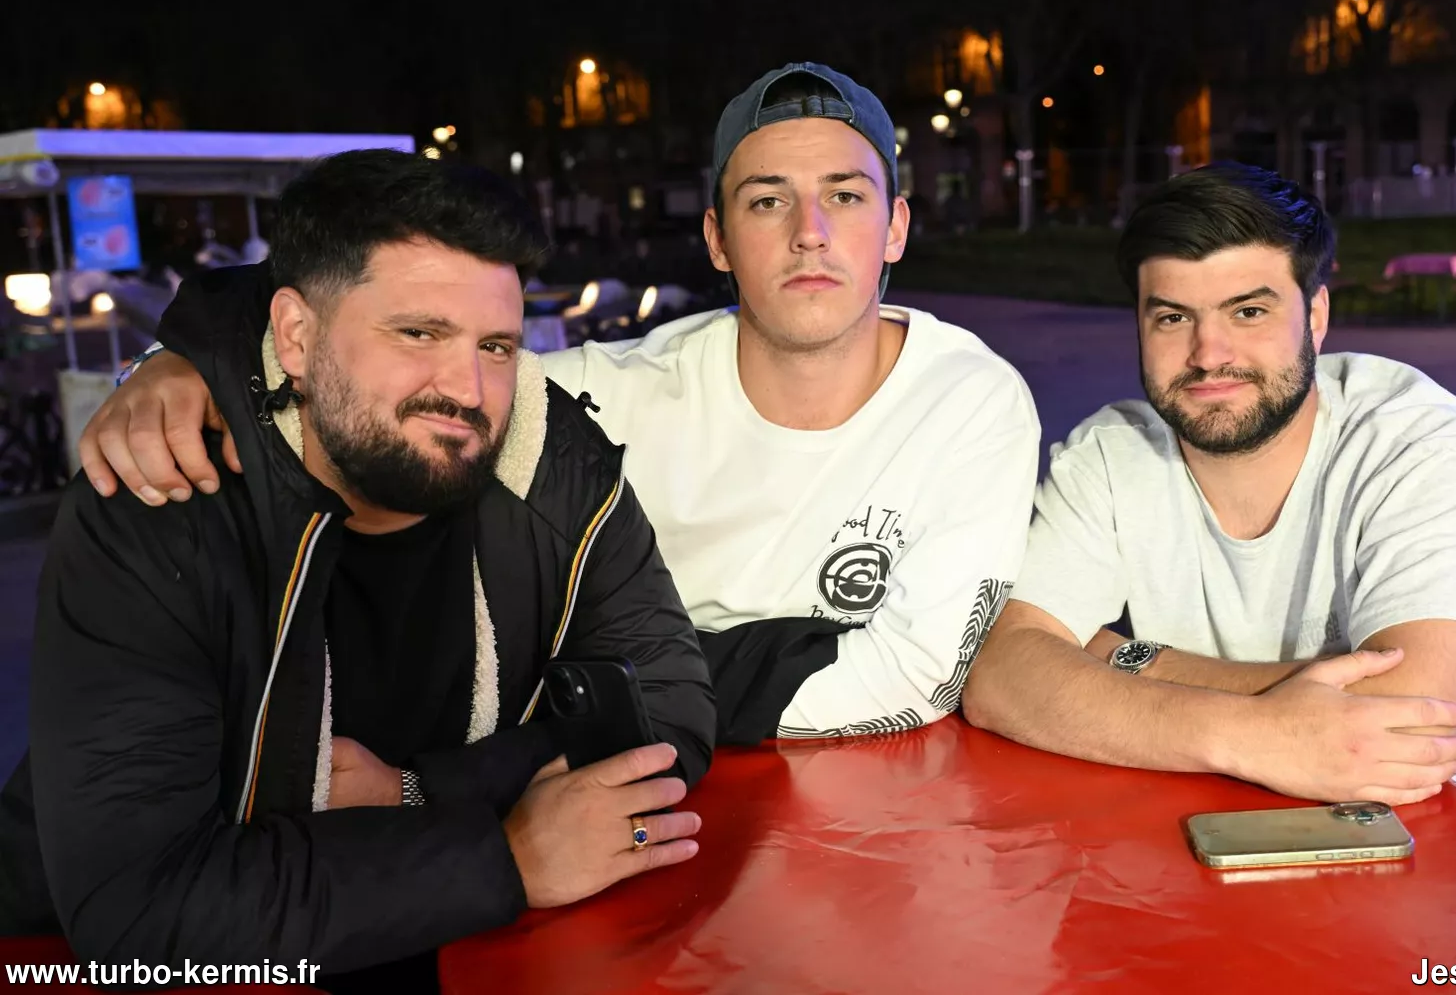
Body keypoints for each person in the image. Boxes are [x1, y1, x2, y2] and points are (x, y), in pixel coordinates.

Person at [72, 63, 1040, 745]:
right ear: (715, 237)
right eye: (766, 200)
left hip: (829, 811)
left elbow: (916, 677)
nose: (810, 232)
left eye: (846, 196)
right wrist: (183, 355)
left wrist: (603, 692)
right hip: (624, 779)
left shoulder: (969, 401)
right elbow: (380, 332)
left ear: (896, 226)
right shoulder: (609, 391)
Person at [0, 150, 716, 983]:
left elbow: (669, 707)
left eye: (495, 346)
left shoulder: (552, 462)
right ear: (297, 338)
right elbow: (145, 915)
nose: (469, 389)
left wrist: (419, 792)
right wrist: (505, 857)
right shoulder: (162, 499)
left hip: (465, 950)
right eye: (419, 333)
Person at [962, 162, 1456, 840]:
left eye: (1248, 312)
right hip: (1206, 844)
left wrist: (1135, 661)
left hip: (1436, 849)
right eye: (1173, 317)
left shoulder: (1416, 440)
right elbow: (1001, 677)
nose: (1209, 354)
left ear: (1315, 317)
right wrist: (1258, 730)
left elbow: (1409, 721)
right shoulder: (1110, 456)